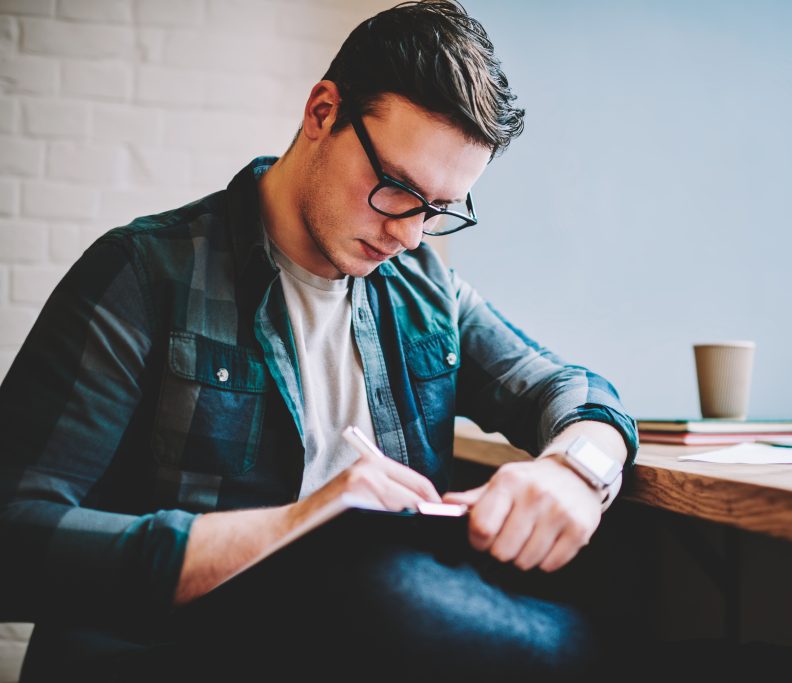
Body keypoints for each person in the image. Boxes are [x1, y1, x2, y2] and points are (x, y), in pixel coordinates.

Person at [0, 1, 639, 679]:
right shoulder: (145, 272)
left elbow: (567, 387)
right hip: (178, 650)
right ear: (322, 113)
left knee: (606, 607)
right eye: (396, 188)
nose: (409, 235)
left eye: (438, 210)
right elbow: (15, 539)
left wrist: (577, 469)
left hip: (371, 640)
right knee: (401, 597)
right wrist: (301, 524)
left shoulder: (421, 291)